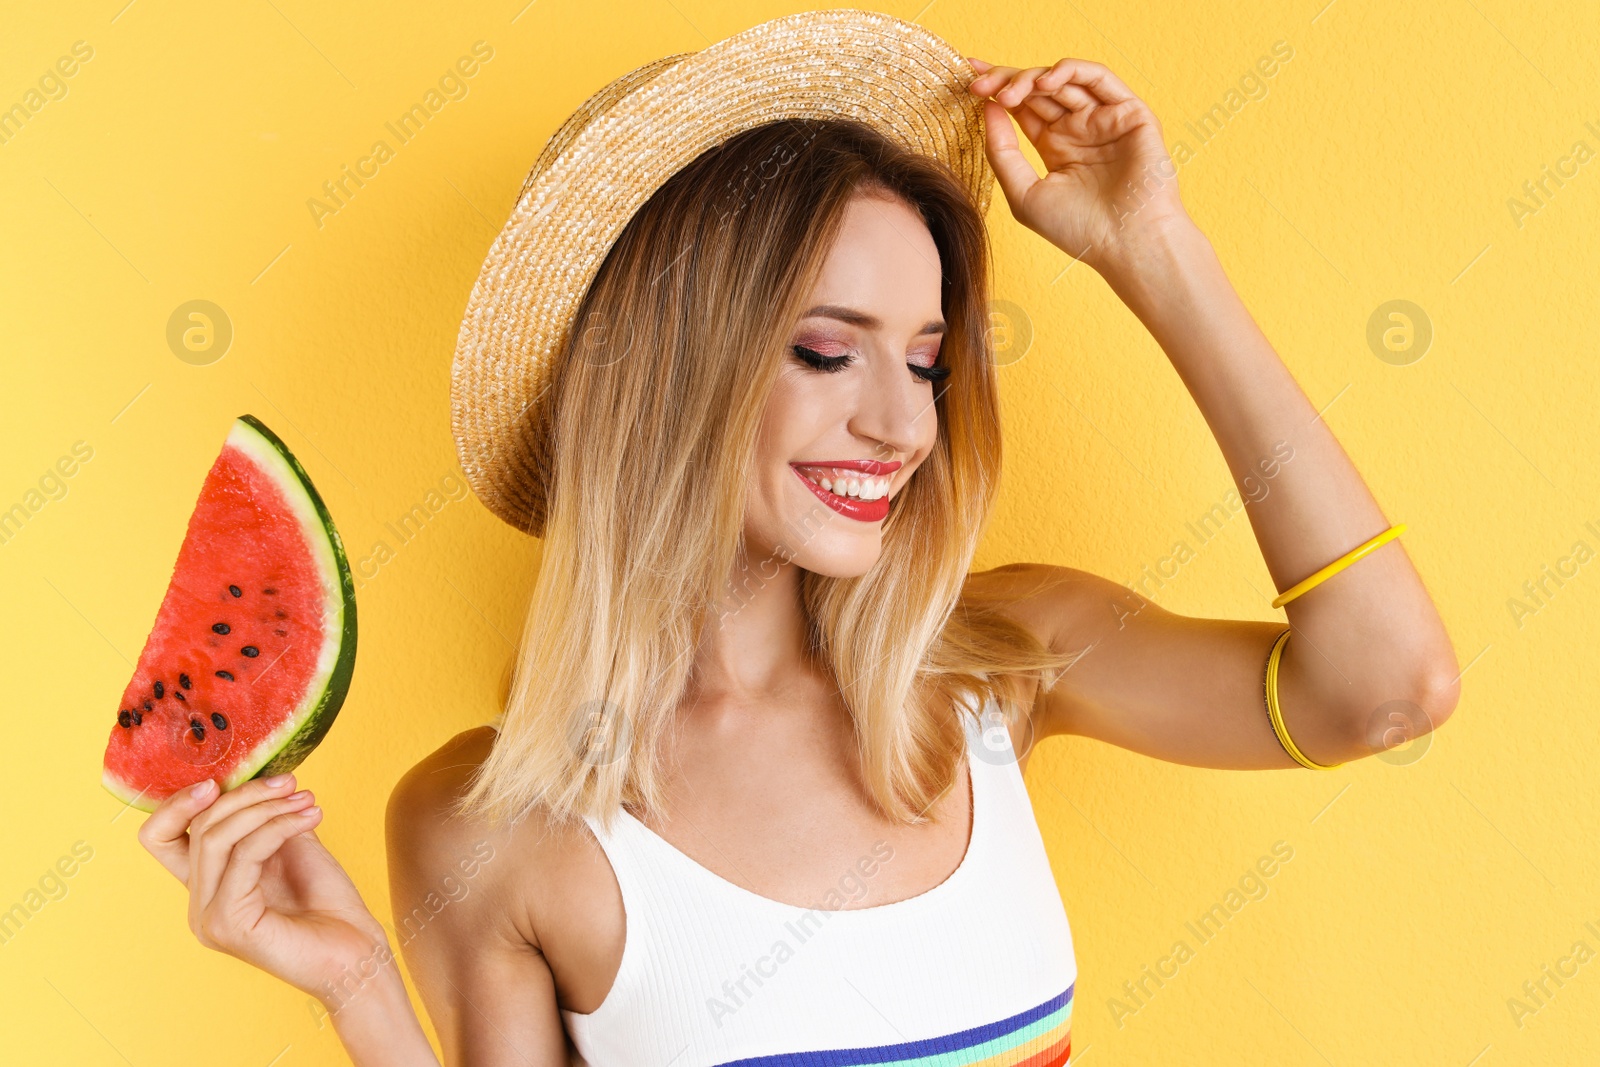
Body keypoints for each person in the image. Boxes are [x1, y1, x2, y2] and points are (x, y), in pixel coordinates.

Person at [134, 29, 1460, 1067]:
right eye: (827, 351)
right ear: (665, 370)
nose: (900, 425)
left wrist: (1157, 252)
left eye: (928, 364)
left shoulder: (1007, 663)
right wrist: (362, 989)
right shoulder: (489, 826)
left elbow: (1388, 687)